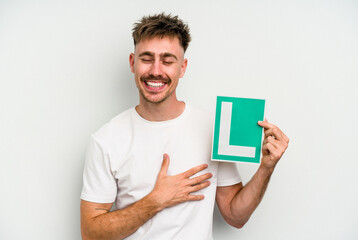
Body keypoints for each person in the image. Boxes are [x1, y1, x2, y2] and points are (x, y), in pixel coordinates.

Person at [80, 13, 289, 240]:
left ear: (182, 67)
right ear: (133, 63)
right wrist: (155, 201)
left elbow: (234, 216)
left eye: (168, 60)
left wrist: (266, 168)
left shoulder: (214, 129)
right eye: (147, 58)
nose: (156, 70)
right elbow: (91, 233)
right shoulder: (106, 140)